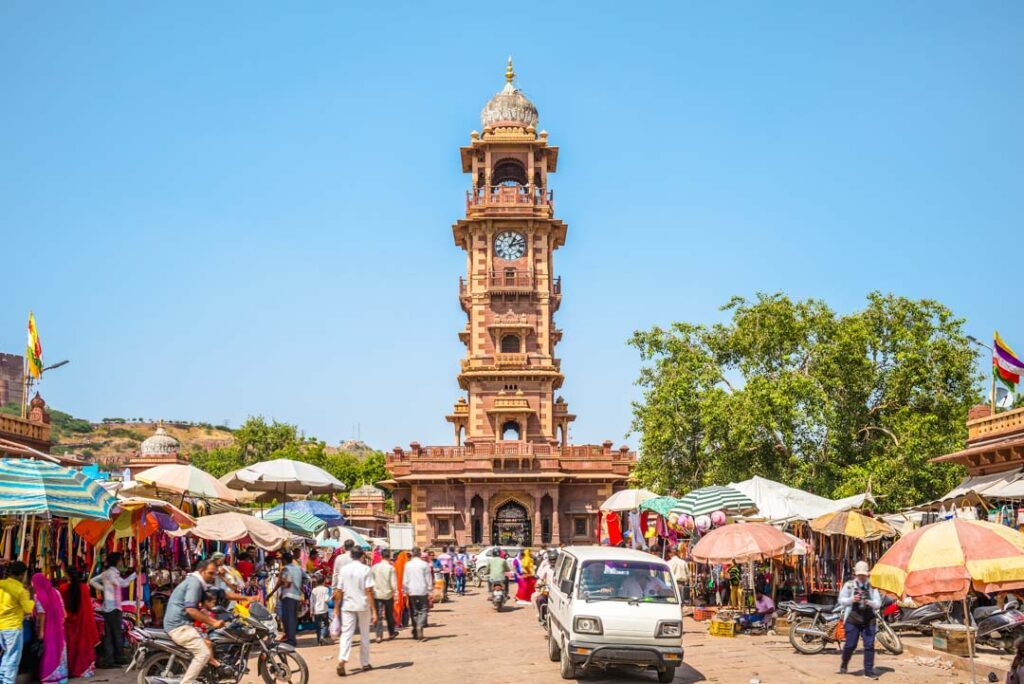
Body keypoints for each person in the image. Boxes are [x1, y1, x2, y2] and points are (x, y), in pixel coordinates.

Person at [163, 559, 223, 684]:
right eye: (210, 573)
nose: (212, 577)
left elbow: (207, 603)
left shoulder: (197, 583)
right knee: (203, 654)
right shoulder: (194, 584)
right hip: (179, 626)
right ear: (201, 571)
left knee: (208, 641)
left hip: (182, 624)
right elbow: (191, 609)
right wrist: (212, 622)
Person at [334, 547, 377, 677]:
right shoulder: (365, 569)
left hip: (347, 605)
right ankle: (364, 663)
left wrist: (336, 607)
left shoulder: (344, 570)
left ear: (351, 556)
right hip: (363, 605)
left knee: (346, 634)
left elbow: (339, 590)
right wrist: (374, 610)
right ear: (362, 556)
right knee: (365, 634)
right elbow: (369, 590)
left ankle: (342, 659)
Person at [89, 552, 136, 668]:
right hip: (114, 608)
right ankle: (117, 658)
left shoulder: (106, 573)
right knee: (116, 634)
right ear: (117, 561)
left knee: (109, 634)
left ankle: (111, 659)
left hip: (108, 608)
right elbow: (124, 584)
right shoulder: (112, 574)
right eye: (120, 560)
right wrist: (135, 574)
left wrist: (104, 589)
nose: (122, 562)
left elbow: (92, 581)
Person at [837, 561, 882, 679]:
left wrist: (869, 602)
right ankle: (844, 663)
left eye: (863, 575)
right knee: (850, 645)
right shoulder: (849, 585)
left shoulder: (872, 586)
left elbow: (878, 604)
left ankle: (869, 671)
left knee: (869, 645)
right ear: (855, 574)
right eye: (859, 575)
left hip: (869, 619)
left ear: (867, 574)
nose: (861, 577)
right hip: (853, 619)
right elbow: (841, 600)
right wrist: (853, 599)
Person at [60, 569, 99, 678]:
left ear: (68, 576)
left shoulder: (63, 588)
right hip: (83, 621)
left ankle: (71, 669)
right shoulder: (84, 588)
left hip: (69, 620)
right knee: (84, 645)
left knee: (71, 646)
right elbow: (87, 607)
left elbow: (62, 605)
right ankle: (85, 669)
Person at [0, 562, 34, 684]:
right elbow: (28, 609)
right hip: (13, 627)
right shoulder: (20, 591)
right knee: (12, 659)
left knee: (6, 657)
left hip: (1, 627)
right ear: (22, 575)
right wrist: (32, 597)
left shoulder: (1, 584)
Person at [32, 573, 68, 684]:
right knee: (59, 648)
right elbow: (63, 610)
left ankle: (50, 676)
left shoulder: (38, 595)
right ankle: (61, 677)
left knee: (49, 650)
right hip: (58, 625)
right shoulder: (56, 592)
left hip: (48, 626)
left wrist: (41, 630)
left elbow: (42, 614)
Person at [278, 551, 307, 647]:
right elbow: (306, 578)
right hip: (296, 596)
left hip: (288, 595)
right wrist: (300, 585)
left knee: (288, 617)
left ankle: (291, 640)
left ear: (285, 560)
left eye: (282, 560)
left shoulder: (286, 569)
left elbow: (286, 582)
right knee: (293, 617)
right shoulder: (298, 568)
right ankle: (291, 637)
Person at [402, 547, 432, 640]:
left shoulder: (408, 564)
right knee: (423, 610)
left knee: (414, 611)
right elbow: (428, 578)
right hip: (422, 590)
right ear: (419, 554)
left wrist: (404, 590)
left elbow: (405, 578)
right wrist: (430, 590)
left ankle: (416, 630)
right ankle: (419, 627)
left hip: (411, 591)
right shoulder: (424, 564)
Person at [371, 549, 398, 643]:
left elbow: (371, 580)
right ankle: (391, 633)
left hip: (377, 594)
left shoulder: (374, 567)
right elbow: (393, 583)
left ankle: (379, 635)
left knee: (378, 615)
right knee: (389, 614)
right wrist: (396, 593)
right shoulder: (391, 568)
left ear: (381, 556)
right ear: (389, 557)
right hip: (388, 594)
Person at [310, 576, 331, 646]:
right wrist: (332, 597)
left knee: (318, 627)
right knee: (326, 625)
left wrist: (311, 611)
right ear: (323, 581)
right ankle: (322, 636)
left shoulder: (314, 590)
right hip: (324, 610)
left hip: (316, 611)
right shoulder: (326, 589)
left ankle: (319, 642)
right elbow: (326, 599)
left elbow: (311, 602)